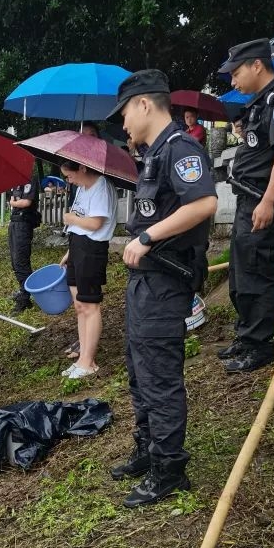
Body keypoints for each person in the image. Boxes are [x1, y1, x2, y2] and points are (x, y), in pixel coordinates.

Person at [106, 70, 219, 506]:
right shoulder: (153, 153)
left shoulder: (180, 148)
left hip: (165, 281)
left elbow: (205, 202)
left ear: (145, 104)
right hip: (144, 282)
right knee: (139, 371)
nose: (123, 124)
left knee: (159, 377)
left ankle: (169, 469)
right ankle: (147, 448)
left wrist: (148, 237)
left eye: (125, 114)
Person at [218, 38, 274, 372]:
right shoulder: (261, 101)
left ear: (257, 65)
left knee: (257, 273)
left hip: (261, 200)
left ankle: (259, 345)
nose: (233, 81)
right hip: (246, 198)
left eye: (236, 73)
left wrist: (268, 200)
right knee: (241, 275)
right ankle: (246, 335)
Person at [58, 159, 117, 379]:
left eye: (69, 175)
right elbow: (79, 226)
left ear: (82, 167)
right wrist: (70, 252)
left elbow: (94, 224)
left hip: (92, 249)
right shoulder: (82, 188)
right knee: (80, 305)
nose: (68, 180)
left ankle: (89, 362)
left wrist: (71, 218)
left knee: (90, 305)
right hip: (78, 246)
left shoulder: (101, 185)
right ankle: (83, 356)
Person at [7, 177, 39, 312]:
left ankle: (25, 298)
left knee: (21, 261)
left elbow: (26, 202)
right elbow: (11, 201)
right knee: (15, 262)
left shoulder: (30, 180)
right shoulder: (13, 182)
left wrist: (15, 203)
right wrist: (14, 202)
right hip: (13, 222)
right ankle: (24, 290)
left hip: (24, 223)